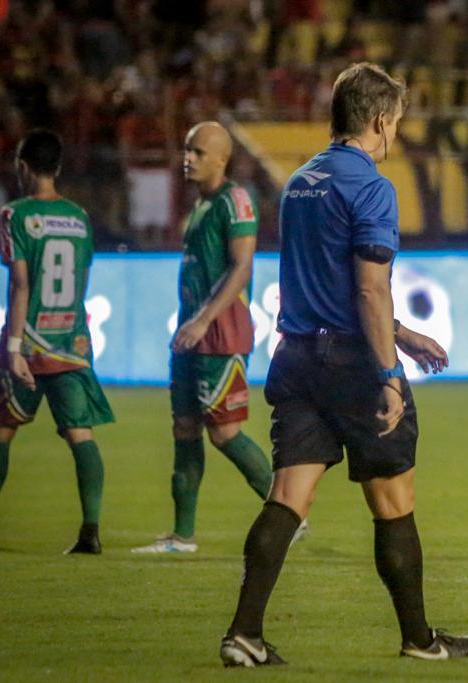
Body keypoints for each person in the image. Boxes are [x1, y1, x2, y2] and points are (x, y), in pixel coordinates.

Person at [218, 62, 468, 667]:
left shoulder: (302, 180)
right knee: (392, 499)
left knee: (288, 494)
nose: (396, 137)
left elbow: (329, 285)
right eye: (397, 125)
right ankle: (419, 639)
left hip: (297, 355)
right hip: (353, 363)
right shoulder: (371, 186)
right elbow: (367, 291)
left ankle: (244, 635)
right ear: (381, 121)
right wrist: (389, 372)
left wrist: (405, 335)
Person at [132, 122, 305, 554]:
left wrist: (204, 320)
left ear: (221, 160)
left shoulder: (236, 201)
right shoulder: (201, 205)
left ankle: (291, 515)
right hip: (191, 331)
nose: (187, 158)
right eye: (187, 150)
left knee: (225, 432)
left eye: (198, 152)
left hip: (220, 332)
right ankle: (182, 536)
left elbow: (242, 267)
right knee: (185, 428)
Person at [0, 129, 113, 554]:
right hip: (71, 341)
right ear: (57, 167)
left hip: (30, 341)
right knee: (81, 436)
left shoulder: (15, 215)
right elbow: (84, 278)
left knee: (1, 432)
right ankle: (90, 532)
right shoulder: (78, 217)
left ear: (22, 167)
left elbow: (20, 283)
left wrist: (16, 346)